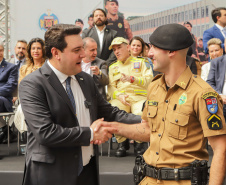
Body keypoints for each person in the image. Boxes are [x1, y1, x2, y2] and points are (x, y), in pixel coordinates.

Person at [100, 24, 226, 185]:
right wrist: (113, 128)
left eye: (154, 48)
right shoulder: (154, 86)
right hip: (148, 179)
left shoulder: (203, 94)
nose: (149, 53)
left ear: (171, 52)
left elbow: (220, 148)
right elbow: (148, 129)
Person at [19, 24, 140, 185]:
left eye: (82, 48)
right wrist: (90, 134)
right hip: (51, 175)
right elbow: (45, 133)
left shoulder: (86, 79)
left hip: (86, 171)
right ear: (56, 53)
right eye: (77, 50)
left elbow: (110, 112)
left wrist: (144, 119)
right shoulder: (32, 84)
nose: (83, 55)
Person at [108, 37, 153, 157]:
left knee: (139, 113)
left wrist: (133, 79)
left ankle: (140, 143)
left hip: (139, 97)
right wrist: (119, 95)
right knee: (115, 110)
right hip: (122, 98)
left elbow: (150, 81)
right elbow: (110, 87)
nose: (116, 51)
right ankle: (122, 143)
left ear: (128, 47)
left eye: (119, 48)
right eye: (114, 49)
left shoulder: (143, 62)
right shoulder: (113, 67)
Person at [14, 38, 46, 152]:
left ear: (43, 50)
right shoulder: (24, 68)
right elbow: (21, 87)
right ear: (29, 51)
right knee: (22, 108)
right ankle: (27, 139)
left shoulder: (47, 67)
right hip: (28, 99)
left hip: (44, 99)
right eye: (33, 48)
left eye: (38, 48)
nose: (36, 51)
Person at [0, 41, 18, 144]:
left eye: (1, 50)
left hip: (4, 100)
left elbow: (10, 86)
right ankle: (4, 129)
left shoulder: (11, 67)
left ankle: (4, 129)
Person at [206, 47, 226, 121]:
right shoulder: (216, 62)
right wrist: (219, 95)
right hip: (222, 104)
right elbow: (209, 82)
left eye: (216, 50)